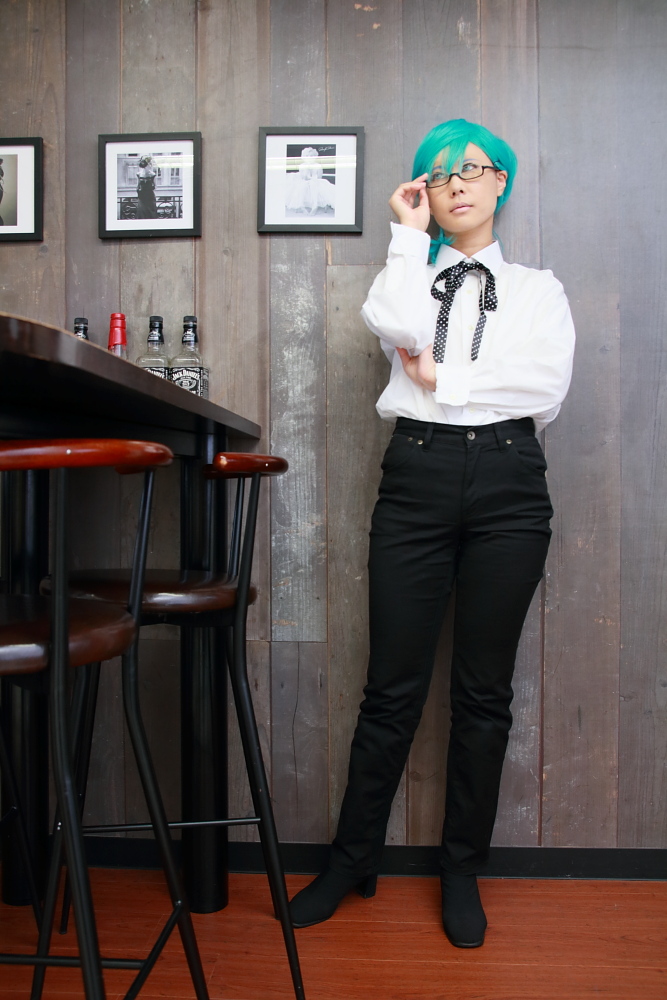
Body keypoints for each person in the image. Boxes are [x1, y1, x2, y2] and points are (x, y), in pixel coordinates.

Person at [289, 119, 575, 948]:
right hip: (415, 476)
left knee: (483, 694)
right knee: (390, 688)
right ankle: (351, 860)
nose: (456, 185)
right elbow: (395, 324)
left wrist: (442, 377)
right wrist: (407, 235)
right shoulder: (409, 272)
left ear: (499, 183)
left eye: (472, 170)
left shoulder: (537, 289)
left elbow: (541, 385)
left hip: (509, 484)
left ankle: (460, 870)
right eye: (439, 175)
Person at [285, 146, 335, 216]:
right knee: (302, 187)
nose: (309, 158)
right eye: (307, 156)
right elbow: (304, 177)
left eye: (311, 156)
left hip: (316, 181)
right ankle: (301, 206)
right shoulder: (302, 165)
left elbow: (319, 177)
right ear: (303, 157)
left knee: (313, 185)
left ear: (315, 157)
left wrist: (312, 178)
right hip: (305, 181)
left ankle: (315, 205)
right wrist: (307, 170)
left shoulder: (318, 165)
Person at [136, 154, 158, 219]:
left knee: (149, 212)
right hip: (143, 196)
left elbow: (155, 186)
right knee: (143, 212)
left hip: (148, 196)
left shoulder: (152, 174)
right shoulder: (139, 174)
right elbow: (138, 186)